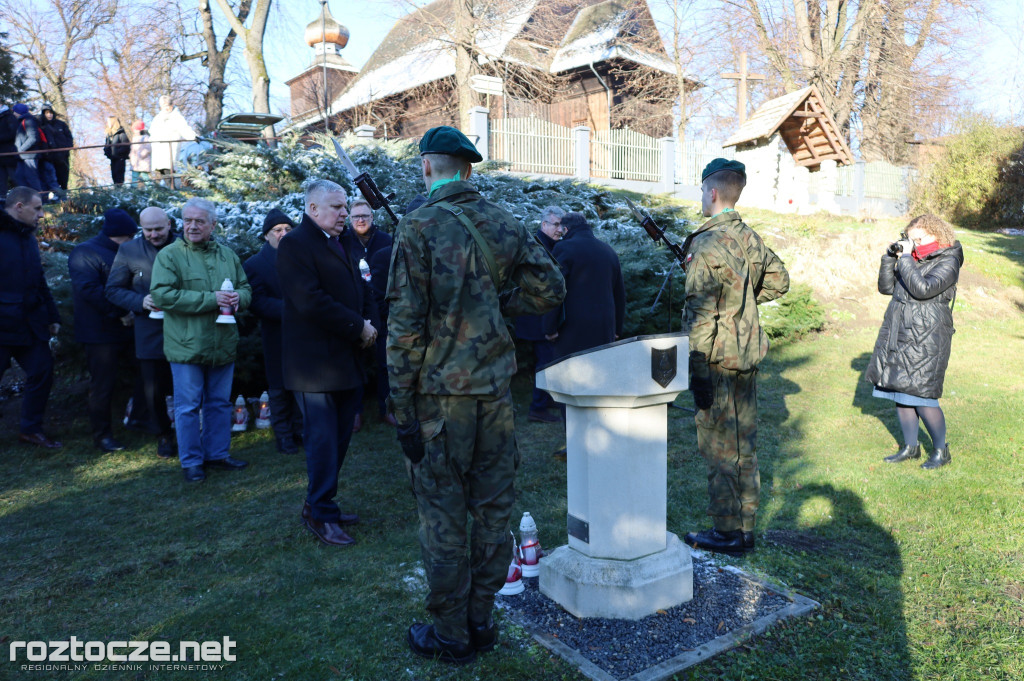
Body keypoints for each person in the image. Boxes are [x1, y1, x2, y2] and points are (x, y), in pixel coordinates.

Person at [387, 126, 565, 664]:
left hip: (440, 399)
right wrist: (495, 304)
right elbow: (550, 288)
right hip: (494, 394)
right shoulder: (505, 222)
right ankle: (481, 620)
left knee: (443, 515)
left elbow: (403, 328)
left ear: (426, 168)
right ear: (469, 170)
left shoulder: (417, 225)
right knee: (492, 511)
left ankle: (450, 634)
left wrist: (401, 410)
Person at [680, 158, 789, 556]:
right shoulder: (748, 237)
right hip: (746, 354)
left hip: (717, 359)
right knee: (745, 444)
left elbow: (701, 315)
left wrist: (695, 371)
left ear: (711, 193)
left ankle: (727, 532)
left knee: (720, 448)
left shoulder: (707, 244)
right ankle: (745, 527)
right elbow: (780, 280)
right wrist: (741, 302)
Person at [277, 180, 378, 546]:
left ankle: (320, 503)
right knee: (322, 442)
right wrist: (358, 327)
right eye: (336, 207)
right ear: (312, 209)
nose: (343, 213)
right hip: (314, 367)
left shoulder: (343, 240)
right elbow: (310, 301)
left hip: (346, 359)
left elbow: (363, 286)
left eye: (345, 207)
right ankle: (320, 514)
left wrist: (370, 324)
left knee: (339, 440)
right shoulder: (294, 245)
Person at [150, 198, 251, 482]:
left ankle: (217, 454)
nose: (192, 226)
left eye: (199, 221)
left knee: (219, 403)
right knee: (187, 406)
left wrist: (238, 298)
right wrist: (212, 299)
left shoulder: (228, 255)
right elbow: (161, 295)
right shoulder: (169, 255)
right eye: (188, 220)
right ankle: (192, 461)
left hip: (223, 343)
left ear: (213, 225)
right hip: (186, 345)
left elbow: (245, 288)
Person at [866, 214, 963, 470]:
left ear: (937, 234)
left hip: (928, 335)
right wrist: (889, 258)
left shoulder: (949, 258)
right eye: (911, 239)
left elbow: (923, 290)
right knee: (901, 390)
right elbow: (888, 288)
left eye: (919, 239)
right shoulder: (914, 258)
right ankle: (911, 447)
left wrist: (906, 258)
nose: (914, 244)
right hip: (900, 330)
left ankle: (941, 451)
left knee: (923, 395)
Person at [105, 206, 179, 459]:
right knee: (153, 388)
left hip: (185, 328)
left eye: (159, 228)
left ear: (169, 224)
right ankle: (163, 435)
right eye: (148, 230)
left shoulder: (185, 246)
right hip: (149, 332)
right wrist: (140, 302)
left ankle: (190, 430)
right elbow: (113, 289)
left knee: (187, 384)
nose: (154, 234)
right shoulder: (128, 250)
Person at [68, 208, 142, 452]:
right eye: (130, 236)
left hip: (128, 328)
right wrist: (122, 312)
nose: (133, 240)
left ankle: (141, 421)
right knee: (103, 385)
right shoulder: (84, 252)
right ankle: (102, 436)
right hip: (99, 333)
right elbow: (90, 291)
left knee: (146, 375)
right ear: (120, 235)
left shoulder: (125, 251)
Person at [0, 186, 62, 448]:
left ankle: (30, 429)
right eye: (37, 209)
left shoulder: (27, 237)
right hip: (2, 325)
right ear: (19, 207)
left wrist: (52, 315)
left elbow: (38, 280)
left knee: (42, 371)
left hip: (30, 322)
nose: (42, 215)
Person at [243, 207, 303, 454]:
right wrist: (293, 308)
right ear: (266, 235)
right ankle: (284, 437)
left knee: (302, 385)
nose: (283, 233)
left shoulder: (301, 258)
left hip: (303, 334)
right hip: (275, 335)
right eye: (277, 230)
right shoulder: (255, 264)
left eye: (288, 229)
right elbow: (257, 301)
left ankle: (301, 430)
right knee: (278, 389)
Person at [543, 211, 625, 359]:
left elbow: (555, 289)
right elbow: (619, 294)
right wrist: (617, 328)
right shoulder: (609, 251)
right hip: (605, 329)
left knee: (571, 376)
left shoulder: (564, 248)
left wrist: (550, 328)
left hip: (573, 330)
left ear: (566, 229)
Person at [342, 199, 394, 430]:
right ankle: (355, 411)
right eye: (356, 217)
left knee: (386, 363)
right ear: (349, 219)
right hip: (356, 312)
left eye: (365, 216)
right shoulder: (342, 242)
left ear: (373, 218)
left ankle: (387, 408)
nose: (360, 220)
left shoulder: (386, 241)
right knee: (354, 363)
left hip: (383, 311)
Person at [514, 205, 564, 423]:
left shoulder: (547, 244)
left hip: (537, 314)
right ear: (544, 224)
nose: (560, 229)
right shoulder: (540, 246)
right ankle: (538, 407)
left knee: (548, 359)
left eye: (562, 225)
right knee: (545, 362)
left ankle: (546, 398)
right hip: (536, 316)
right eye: (555, 224)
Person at [148, 96, 197, 188]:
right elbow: (152, 132)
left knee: (169, 171)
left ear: (172, 105)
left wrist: (193, 136)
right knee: (163, 171)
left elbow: (184, 129)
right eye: (163, 106)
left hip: (170, 149)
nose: (166, 108)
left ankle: (172, 191)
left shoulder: (176, 117)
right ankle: (171, 190)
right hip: (159, 149)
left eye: (167, 106)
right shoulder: (158, 118)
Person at [39, 104, 73, 191]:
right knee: (52, 180)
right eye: (46, 113)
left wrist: (66, 149)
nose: (49, 115)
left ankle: (63, 197)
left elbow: (69, 138)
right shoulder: (41, 126)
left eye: (50, 112)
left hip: (63, 157)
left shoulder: (61, 124)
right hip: (49, 158)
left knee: (64, 179)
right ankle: (55, 198)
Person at [11, 103, 44, 192]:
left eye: (15, 111)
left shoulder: (28, 121)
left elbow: (33, 138)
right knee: (20, 177)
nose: (13, 113)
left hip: (29, 155)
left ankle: (39, 201)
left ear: (19, 112)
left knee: (32, 179)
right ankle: (27, 201)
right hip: (23, 156)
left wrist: (20, 150)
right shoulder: (22, 121)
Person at [103, 117, 131, 186]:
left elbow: (126, 146)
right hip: (112, 159)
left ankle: (120, 191)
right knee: (114, 176)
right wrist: (107, 152)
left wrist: (118, 153)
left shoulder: (121, 134)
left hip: (120, 159)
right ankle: (116, 191)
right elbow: (106, 146)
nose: (107, 123)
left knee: (119, 177)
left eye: (108, 122)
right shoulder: (109, 135)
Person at [0, 104, 18, 199]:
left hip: (9, 153)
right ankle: (2, 203)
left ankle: (23, 200)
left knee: (15, 178)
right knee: (1, 182)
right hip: (1, 155)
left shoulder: (9, 116)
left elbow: (13, 133)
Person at [128, 120, 151, 187]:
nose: (134, 131)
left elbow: (148, 148)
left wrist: (142, 155)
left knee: (145, 176)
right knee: (134, 176)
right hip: (135, 162)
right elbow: (132, 149)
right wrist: (131, 155)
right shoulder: (134, 138)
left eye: (136, 129)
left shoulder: (145, 137)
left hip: (143, 161)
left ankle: (150, 188)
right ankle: (133, 189)